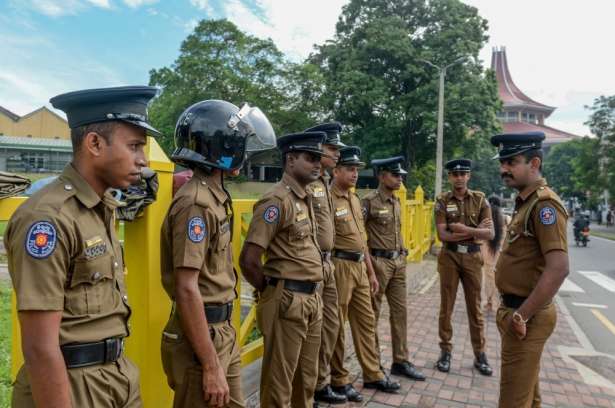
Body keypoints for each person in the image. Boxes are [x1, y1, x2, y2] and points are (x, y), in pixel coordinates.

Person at [5, 86, 161, 407]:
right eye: (133, 147)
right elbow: (39, 346)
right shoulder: (48, 218)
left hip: (115, 373)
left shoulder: (102, 208)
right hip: (71, 385)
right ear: (94, 144)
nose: (143, 160)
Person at [160, 100, 275, 408]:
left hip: (221, 330)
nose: (245, 153)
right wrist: (210, 365)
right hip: (202, 339)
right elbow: (187, 288)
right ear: (222, 146)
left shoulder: (214, 195)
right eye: (241, 144)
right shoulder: (195, 203)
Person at [239, 131, 326, 408]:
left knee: (306, 379)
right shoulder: (276, 201)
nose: (318, 165)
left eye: (319, 159)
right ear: (290, 160)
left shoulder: (304, 198)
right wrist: (273, 290)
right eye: (311, 158)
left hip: (312, 299)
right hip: (288, 301)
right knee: (279, 384)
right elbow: (250, 260)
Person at [491, 131, 569, 407]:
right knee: (527, 396)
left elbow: (558, 268)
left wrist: (521, 316)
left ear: (534, 163)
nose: (504, 169)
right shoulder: (527, 201)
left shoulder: (544, 205)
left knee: (512, 400)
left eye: (512, 162)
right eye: (502, 163)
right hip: (518, 312)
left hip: (526, 316)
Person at [329, 147, 400, 403]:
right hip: (339, 266)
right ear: (336, 171)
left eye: (357, 169)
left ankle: (372, 373)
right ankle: (339, 378)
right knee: (337, 325)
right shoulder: (328, 198)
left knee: (367, 322)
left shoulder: (354, 198)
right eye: (349, 169)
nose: (355, 174)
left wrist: (370, 272)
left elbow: (363, 240)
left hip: (360, 266)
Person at [362, 156, 426, 381]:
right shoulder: (369, 202)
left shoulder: (397, 201)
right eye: (395, 175)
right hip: (378, 264)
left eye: (401, 176)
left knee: (400, 314)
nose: (400, 179)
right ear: (381, 176)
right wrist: (369, 266)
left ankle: (400, 360)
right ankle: (374, 365)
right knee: (372, 315)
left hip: (398, 262)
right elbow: (360, 237)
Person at [433, 158, 494, 376]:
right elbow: (442, 234)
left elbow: (490, 233)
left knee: (475, 308)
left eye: (463, 174)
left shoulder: (480, 200)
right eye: (455, 174)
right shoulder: (442, 201)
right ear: (449, 177)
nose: (459, 178)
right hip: (449, 256)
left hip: (472, 258)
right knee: (446, 307)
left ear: (468, 176)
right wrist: (474, 230)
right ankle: (445, 352)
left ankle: (480, 354)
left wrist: (461, 228)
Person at [303, 123, 347, 405]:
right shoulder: (306, 183)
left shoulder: (324, 184)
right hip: (310, 268)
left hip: (328, 265)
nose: (337, 155)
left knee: (329, 328)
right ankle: (307, 390)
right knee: (308, 334)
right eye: (333, 149)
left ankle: (320, 383)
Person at [480, 196, 510, 313]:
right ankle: (496, 304)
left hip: (486, 253)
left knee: (487, 276)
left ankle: (488, 301)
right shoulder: (506, 219)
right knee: (498, 277)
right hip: (501, 253)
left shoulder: (484, 219)